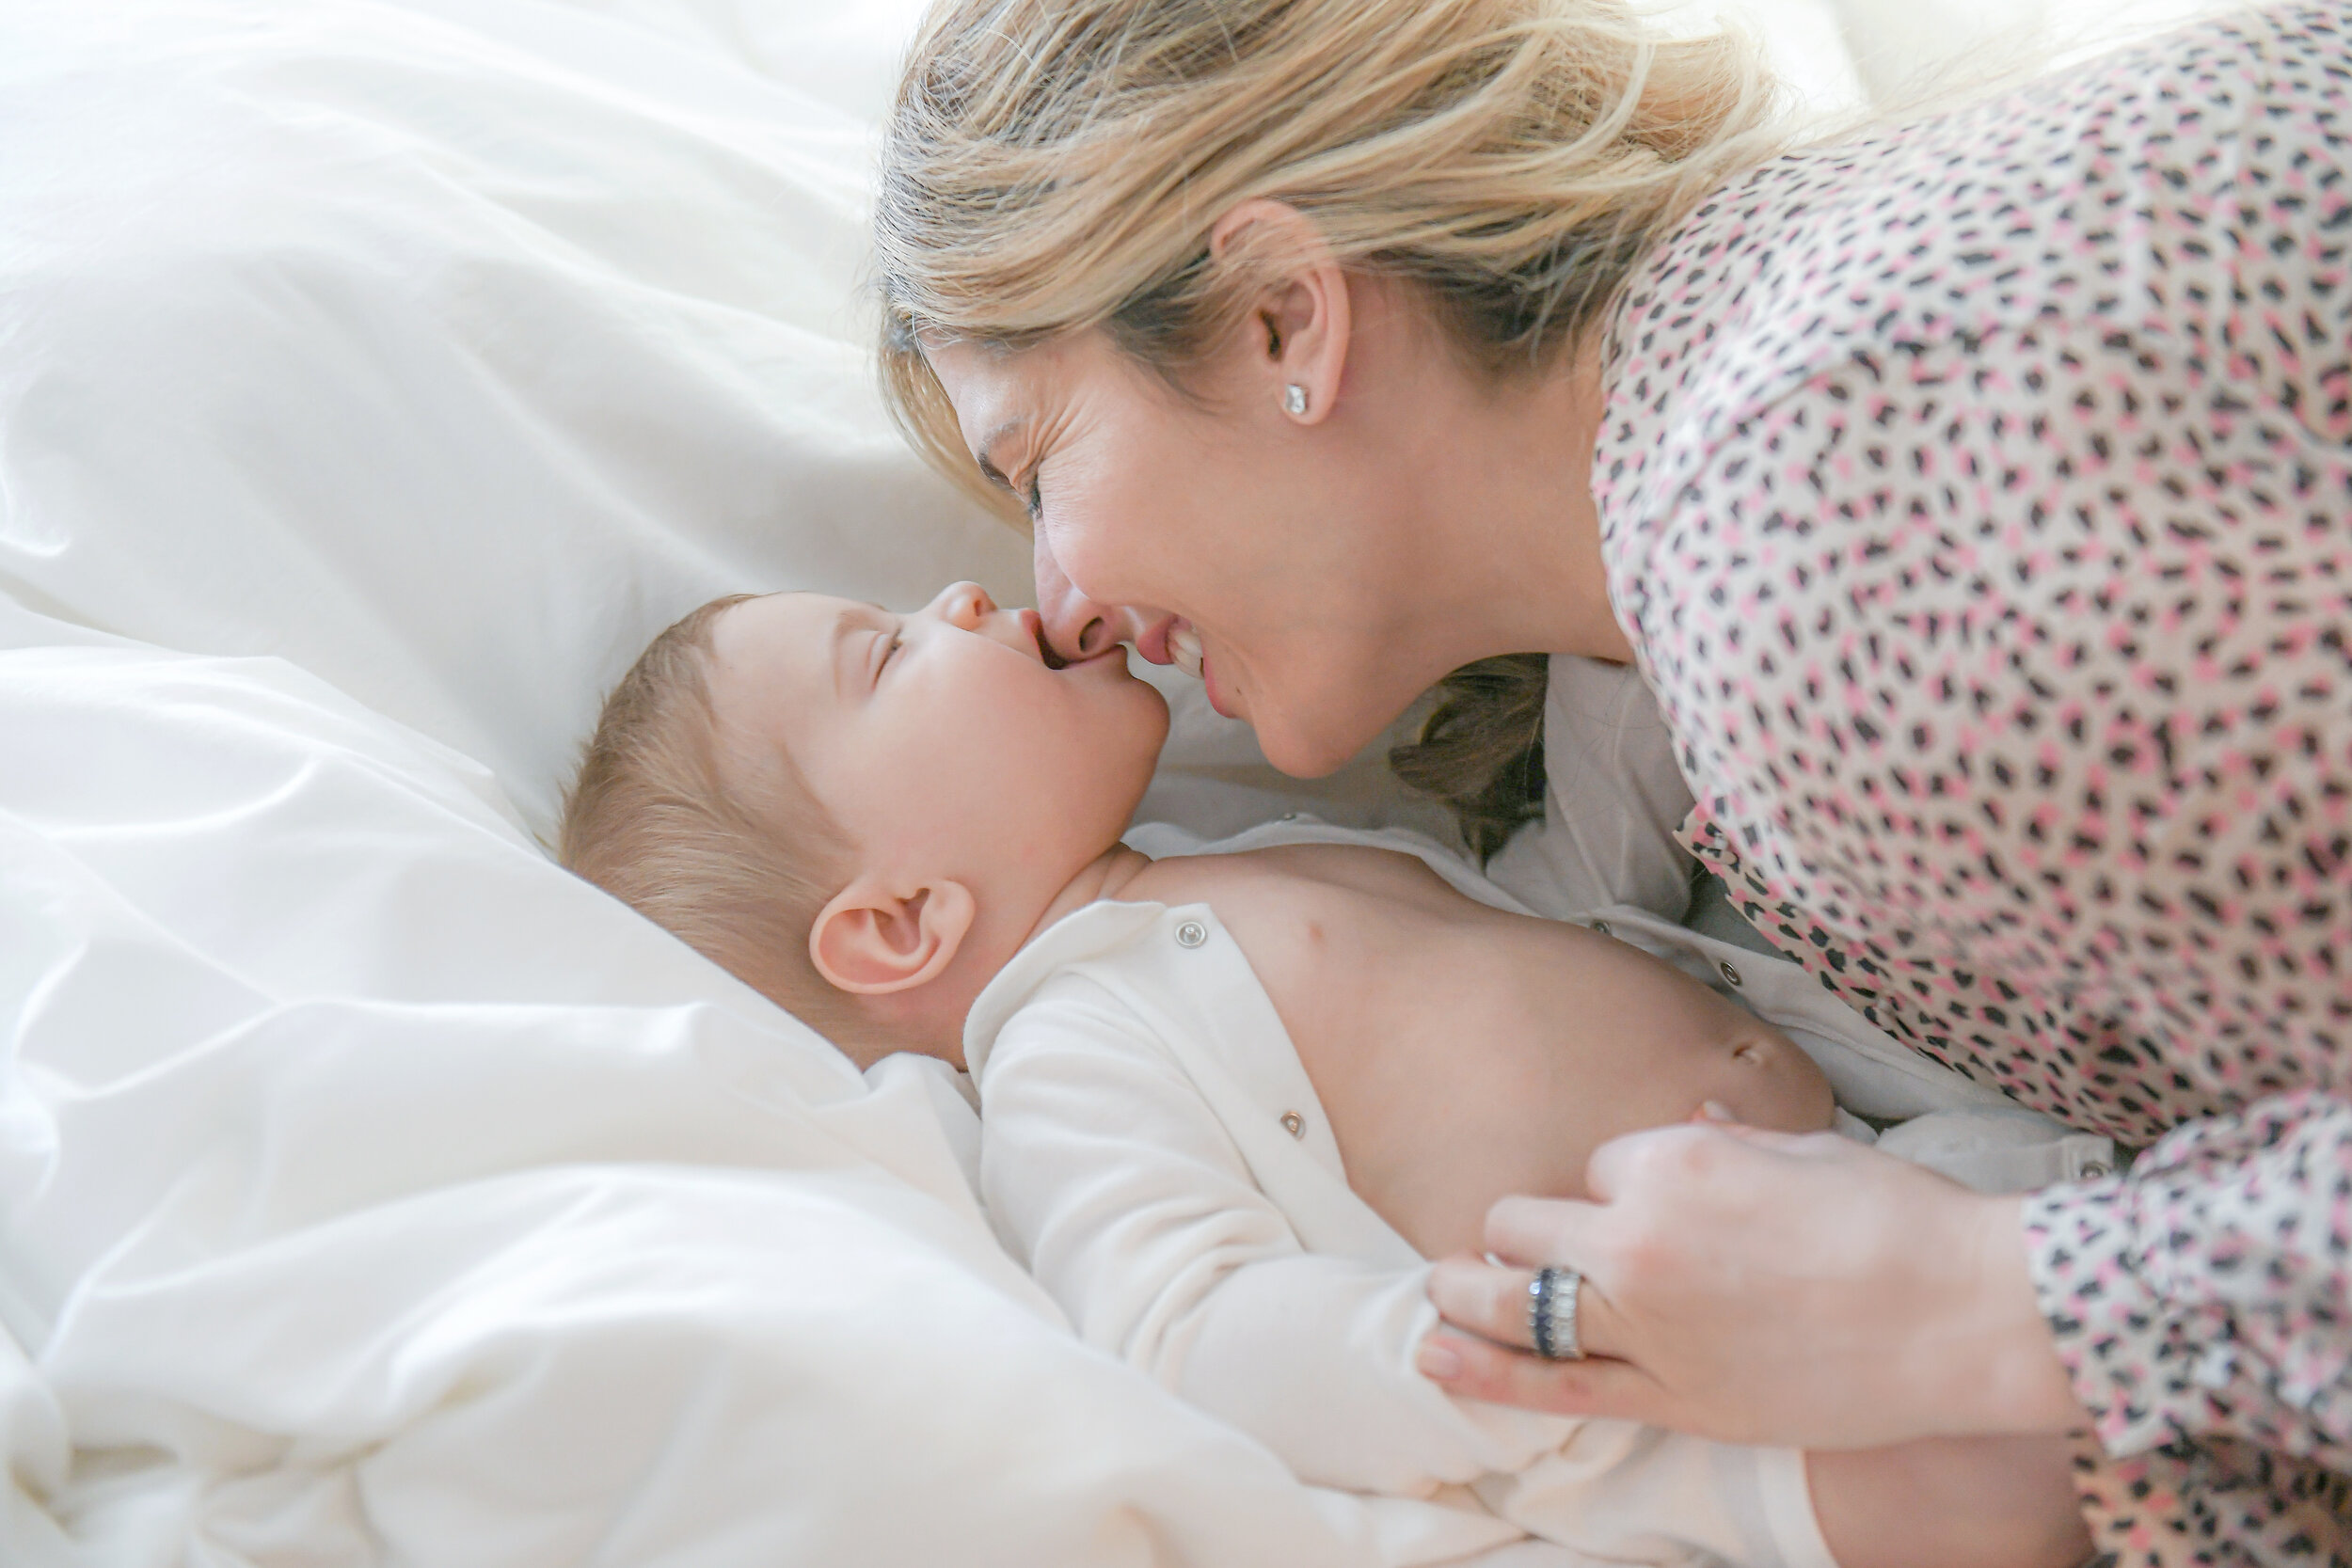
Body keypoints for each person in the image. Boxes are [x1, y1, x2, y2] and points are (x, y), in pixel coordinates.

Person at [868, 0, 2352, 1558]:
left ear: (1281, 319)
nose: (1056, 605)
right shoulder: (1716, 536)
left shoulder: (1807, 548)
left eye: (1036, 467)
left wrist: (1974, 1302)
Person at [556, 581, 2096, 1568]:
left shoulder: (1217, 871)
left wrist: (1608, 643)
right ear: (900, 923)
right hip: (1722, 1413)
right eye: (885, 653)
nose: (960, 596)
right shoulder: (1072, 1052)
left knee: (2112, 1249)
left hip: (1895, 1170)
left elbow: (1561, 919)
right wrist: (1532, 1344)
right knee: (2020, 1466)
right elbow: (1188, 1327)